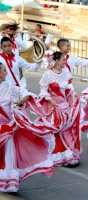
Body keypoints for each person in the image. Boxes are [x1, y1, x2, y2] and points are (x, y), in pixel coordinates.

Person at [0, 62, 54, 192]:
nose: (6, 73)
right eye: (3, 71)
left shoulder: (9, 86)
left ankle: (8, 182)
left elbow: (25, 93)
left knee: (8, 153)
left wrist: (20, 101)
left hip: (8, 126)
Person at [39, 52, 82, 167]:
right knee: (56, 132)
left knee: (67, 131)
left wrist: (74, 94)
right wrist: (49, 99)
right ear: (57, 61)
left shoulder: (65, 72)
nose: (65, 61)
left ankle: (69, 155)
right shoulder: (48, 74)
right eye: (63, 59)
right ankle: (57, 156)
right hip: (53, 107)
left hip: (65, 106)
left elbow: (68, 87)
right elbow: (43, 90)